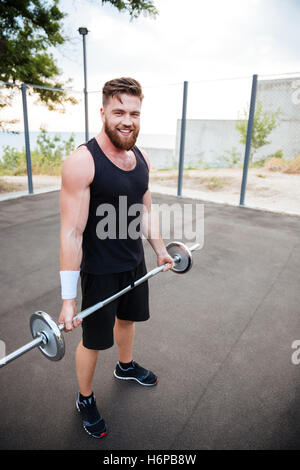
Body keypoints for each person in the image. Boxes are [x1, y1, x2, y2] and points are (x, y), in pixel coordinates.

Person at [58, 77, 174, 439]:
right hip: (99, 270)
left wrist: (159, 249)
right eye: (120, 111)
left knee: (128, 320)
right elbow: (71, 233)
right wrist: (67, 299)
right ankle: (85, 397)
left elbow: (145, 209)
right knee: (93, 341)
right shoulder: (82, 162)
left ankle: (125, 367)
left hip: (133, 263)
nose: (128, 120)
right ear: (103, 112)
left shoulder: (140, 157)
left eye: (135, 113)